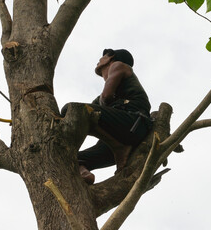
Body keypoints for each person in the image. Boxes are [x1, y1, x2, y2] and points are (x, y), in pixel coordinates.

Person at [63, 49, 152, 184]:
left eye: (103, 56)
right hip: (124, 141)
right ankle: (84, 172)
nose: (99, 59)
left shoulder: (119, 65)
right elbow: (83, 111)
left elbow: (106, 97)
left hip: (132, 123)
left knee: (68, 109)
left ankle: (118, 147)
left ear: (111, 58)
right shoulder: (100, 98)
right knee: (70, 159)